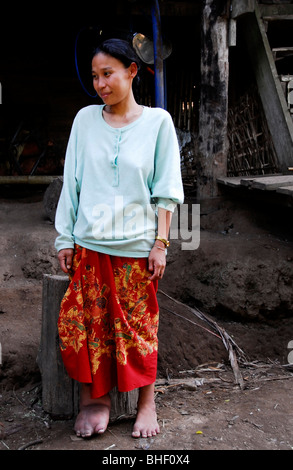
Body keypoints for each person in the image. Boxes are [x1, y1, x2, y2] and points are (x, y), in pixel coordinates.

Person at [55, 38, 184, 439]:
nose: (100, 83)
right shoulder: (84, 121)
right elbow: (71, 184)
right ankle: (96, 401)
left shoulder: (158, 123)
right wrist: (64, 237)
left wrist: (161, 243)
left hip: (136, 251)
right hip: (90, 247)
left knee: (138, 329)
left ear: (131, 71)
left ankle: (147, 405)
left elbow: (166, 190)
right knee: (84, 326)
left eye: (108, 73)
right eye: (95, 76)